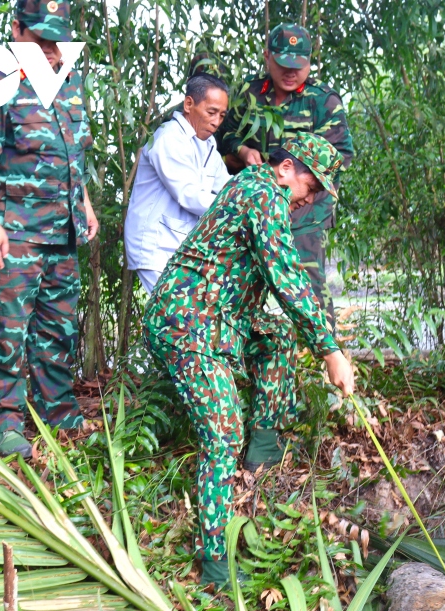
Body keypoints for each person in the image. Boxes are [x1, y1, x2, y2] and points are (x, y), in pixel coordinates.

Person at [143, 133, 355, 587]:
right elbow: (286, 276)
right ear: (286, 170)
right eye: (311, 187)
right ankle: (216, 563)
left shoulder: (258, 190)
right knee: (221, 434)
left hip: (221, 319)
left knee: (275, 336)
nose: (310, 199)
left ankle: (263, 448)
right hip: (188, 324)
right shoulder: (262, 193)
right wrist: (331, 350)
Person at [0, 0, 97, 458]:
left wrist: (86, 204)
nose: (50, 51)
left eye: (56, 42)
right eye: (40, 41)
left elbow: (74, 151)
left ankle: (57, 409)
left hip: (64, 230)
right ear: (16, 29)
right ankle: (4, 422)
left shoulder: (69, 77)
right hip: (14, 229)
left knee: (57, 329)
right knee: (8, 331)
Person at [217, 23, 354, 324]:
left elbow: (342, 155)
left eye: (299, 66)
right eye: (283, 65)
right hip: (257, 205)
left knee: (307, 282)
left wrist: (304, 176)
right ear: (267, 57)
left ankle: (320, 354)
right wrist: (242, 151)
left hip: (305, 211)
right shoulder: (249, 94)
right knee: (246, 279)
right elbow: (223, 136)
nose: (291, 73)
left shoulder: (323, 101)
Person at [124, 74, 232, 294]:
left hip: (178, 246)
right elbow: (189, 195)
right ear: (189, 104)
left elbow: (228, 186)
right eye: (211, 112)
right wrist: (241, 205)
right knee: (173, 319)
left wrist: (252, 191)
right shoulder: (169, 138)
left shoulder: (208, 144)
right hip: (155, 247)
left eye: (222, 115)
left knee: (181, 320)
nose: (216, 122)